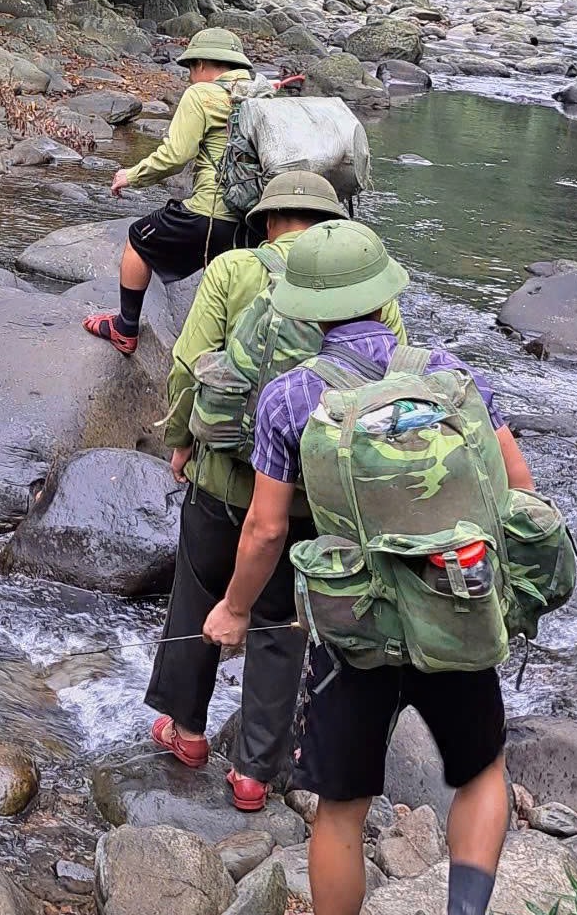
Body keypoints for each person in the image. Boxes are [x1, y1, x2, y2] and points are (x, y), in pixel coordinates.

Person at [201, 220, 537, 915]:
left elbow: (266, 529)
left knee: (341, 808)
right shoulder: (452, 373)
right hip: (454, 604)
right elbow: (519, 488)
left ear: (305, 311)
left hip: (354, 630)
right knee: (481, 773)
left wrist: (233, 609)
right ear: (386, 296)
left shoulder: (289, 398)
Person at [146, 172, 408, 812]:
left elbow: (186, 363)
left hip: (224, 481)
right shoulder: (368, 288)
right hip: (312, 500)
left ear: (267, 221)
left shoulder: (233, 270)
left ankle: (186, 732)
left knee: (198, 590)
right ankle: (254, 772)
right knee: (280, 623)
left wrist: (180, 439)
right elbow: (391, 384)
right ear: (333, 226)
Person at [83, 28, 255, 354]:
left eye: (190, 68)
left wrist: (131, 176)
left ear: (201, 64)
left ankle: (124, 329)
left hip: (212, 213)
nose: (190, 76)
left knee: (138, 238)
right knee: (227, 278)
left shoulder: (201, 94)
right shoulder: (263, 97)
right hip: (255, 221)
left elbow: (176, 157)